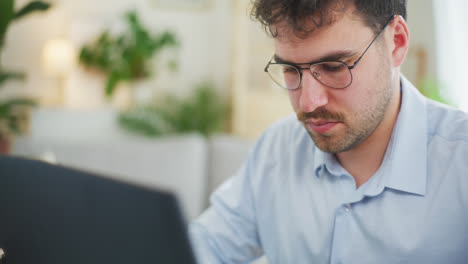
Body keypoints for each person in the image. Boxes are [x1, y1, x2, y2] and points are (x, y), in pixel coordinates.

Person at [190, 0, 468, 263]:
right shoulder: (276, 149)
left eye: (334, 66)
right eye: (290, 69)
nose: (309, 102)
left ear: (396, 42)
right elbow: (204, 246)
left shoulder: (460, 163)